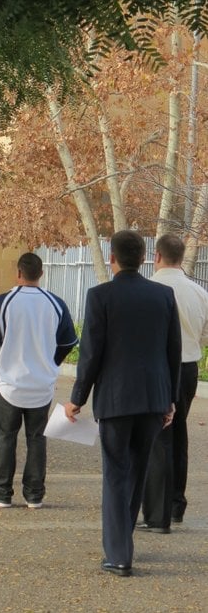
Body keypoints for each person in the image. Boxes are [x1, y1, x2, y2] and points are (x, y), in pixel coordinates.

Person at [65, 230, 181, 577]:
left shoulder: (100, 296)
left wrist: (77, 398)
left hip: (115, 399)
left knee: (116, 474)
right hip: (152, 398)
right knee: (136, 471)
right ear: (145, 258)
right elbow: (172, 352)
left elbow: (91, 354)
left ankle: (118, 554)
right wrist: (170, 399)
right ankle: (123, 541)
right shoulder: (163, 295)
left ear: (112, 258)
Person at [0, 253, 77, 509]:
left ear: (18, 272)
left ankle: (1, 492)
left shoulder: (5, 301)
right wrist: (51, 362)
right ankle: (34, 494)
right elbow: (68, 342)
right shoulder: (55, 303)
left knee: (6, 438)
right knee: (37, 438)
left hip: (10, 382)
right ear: (41, 273)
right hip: (41, 384)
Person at [140, 233, 208, 530]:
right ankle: (176, 503)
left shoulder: (149, 289)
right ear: (181, 257)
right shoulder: (200, 292)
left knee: (156, 438)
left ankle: (157, 509)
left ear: (156, 256)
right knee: (179, 434)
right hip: (189, 367)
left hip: (156, 366)